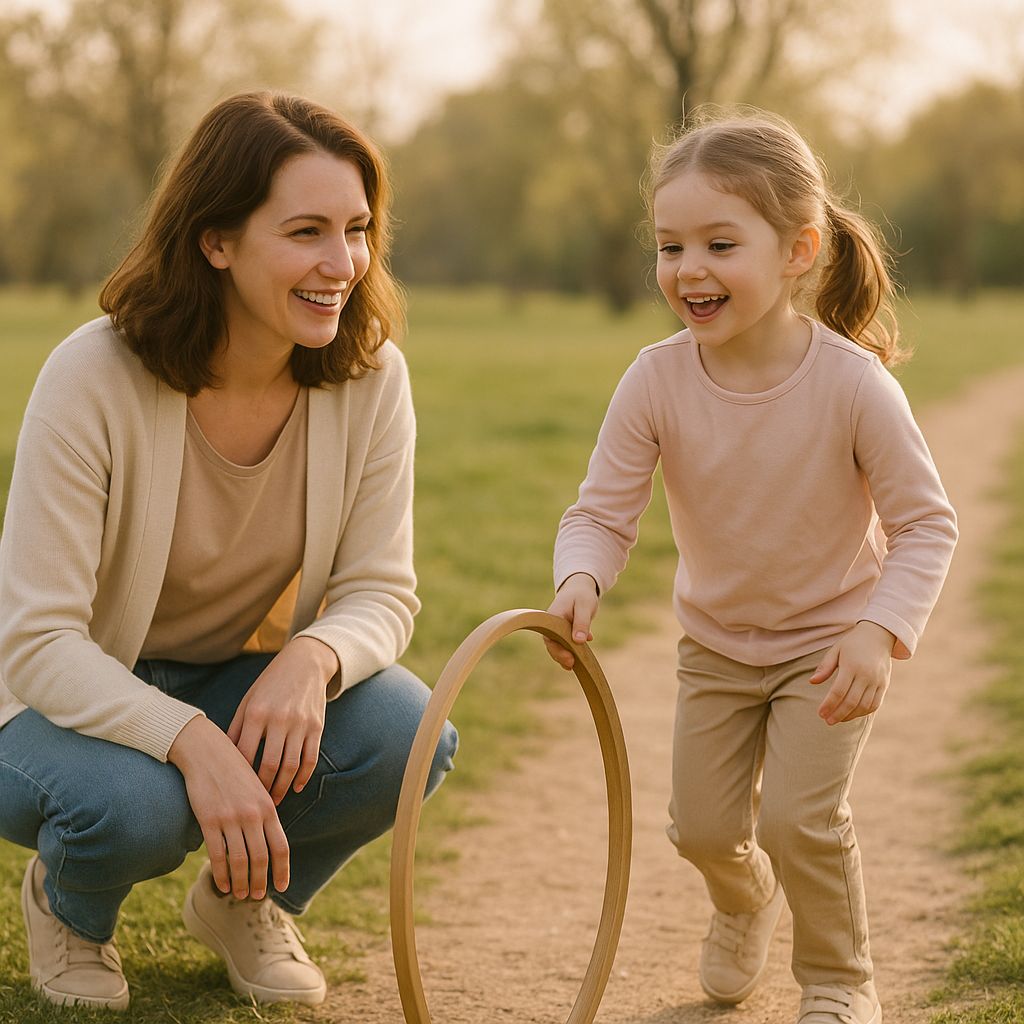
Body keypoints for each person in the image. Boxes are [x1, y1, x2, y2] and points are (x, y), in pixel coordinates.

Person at [0, 91, 457, 1012]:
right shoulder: (92, 377)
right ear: (217, 240)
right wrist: (192, 744)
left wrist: (311, 656)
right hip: (51, 699)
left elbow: (382, 589)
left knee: (411, 736)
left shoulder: (370, 378)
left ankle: (246, 899)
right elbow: (39, 642)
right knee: (139, 809)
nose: (344, 264)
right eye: (306, 233)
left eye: (358, 229)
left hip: (229, 674)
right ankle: (70, 903)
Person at [545, 110, 957, 1024]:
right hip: (718, 650)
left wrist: (876, 630)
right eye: (670, 246)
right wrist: (581, 576)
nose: (689, 269)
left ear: (799, 249)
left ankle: (840, 982)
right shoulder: (654, 380)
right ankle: (743, 902)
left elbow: (927, 525)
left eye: (720, 244)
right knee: (703, 830)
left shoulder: (853, 385)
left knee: (798, 822)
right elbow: (602, 510)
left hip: (827, 651)